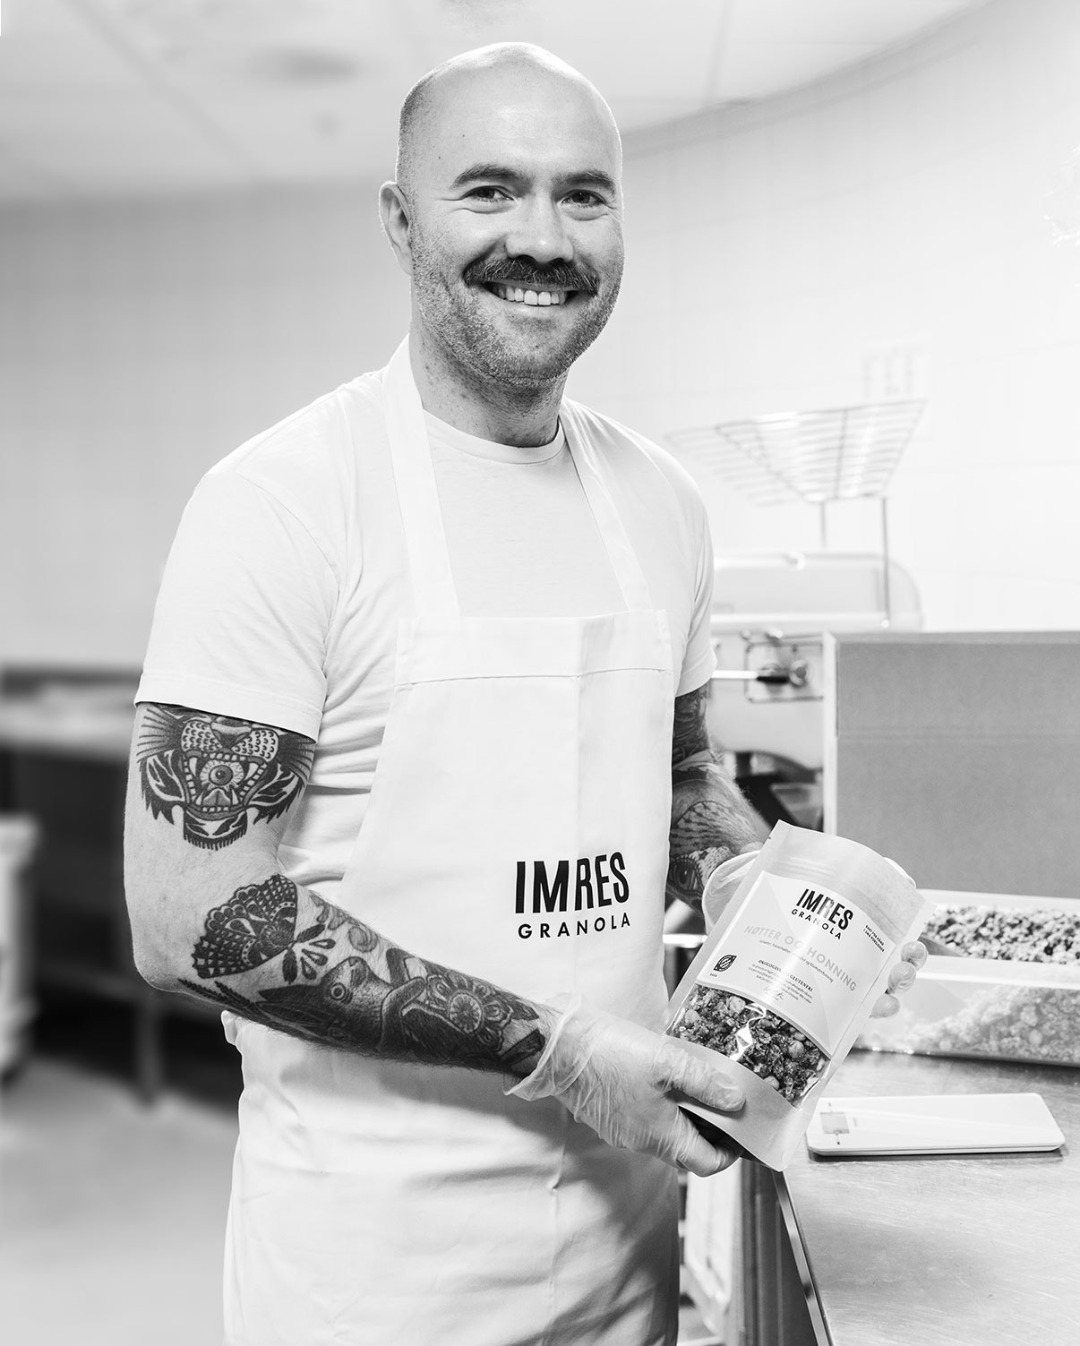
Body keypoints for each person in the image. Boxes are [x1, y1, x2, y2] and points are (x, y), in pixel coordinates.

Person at [124, 42, 924, 1346]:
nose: (542, 238)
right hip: (374, 1269)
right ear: (401, 222)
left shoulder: (663, 502)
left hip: (627, 1237)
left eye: (582, 195)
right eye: (489, 190)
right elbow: (187, 916)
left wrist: (762, 900)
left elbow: (677, 771)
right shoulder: (283, 502)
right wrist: (560, 1051)